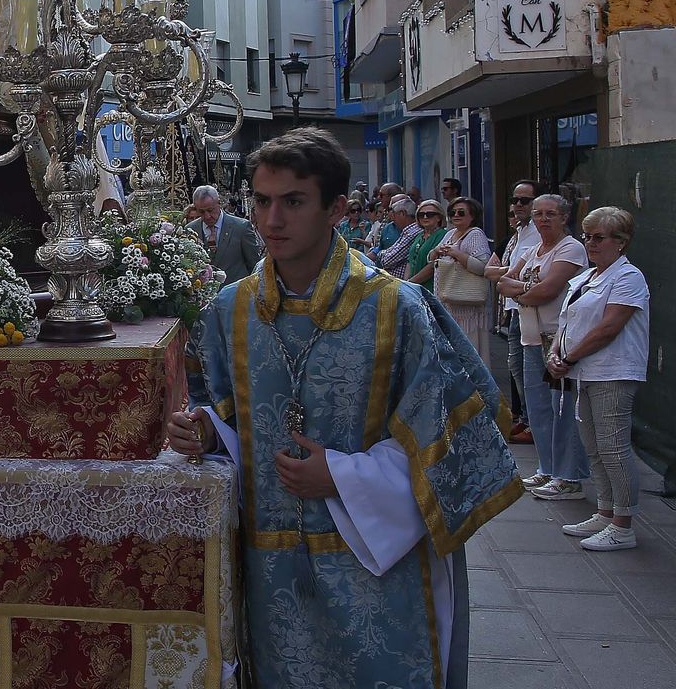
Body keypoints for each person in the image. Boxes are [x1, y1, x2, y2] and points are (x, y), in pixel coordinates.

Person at [168, 127, 518, 687]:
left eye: (293, 202)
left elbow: (456, 443)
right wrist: (206, 431)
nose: (272, 220)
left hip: (378, 563)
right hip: (272, 566)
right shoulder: (229, 311)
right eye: (262, 201)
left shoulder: (398, 309)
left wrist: (343, 476)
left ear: (335, 209)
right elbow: (220, 408)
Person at [549, 207, 649, 551]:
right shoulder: (586, 277)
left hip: (613, 372)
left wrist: (568, 357)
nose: (590, 243)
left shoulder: (629, 277)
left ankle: (623, 526)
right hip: (584, 373)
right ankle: (605, 512)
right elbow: (567, 324)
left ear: (621, 242)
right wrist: (555, 353)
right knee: (593, 447)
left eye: (599, 238)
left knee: (614, 448)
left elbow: (608, 327)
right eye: (587, 236)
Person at [497, 194, 590, 500]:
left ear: (564, 217)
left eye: (550, 214)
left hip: (556, 340)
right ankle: (548, 468)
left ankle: (569, 477)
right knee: (537, 407)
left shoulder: (571, 248)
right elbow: (502, 282)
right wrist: (528, 290)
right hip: (530, 338)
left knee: (561, 408)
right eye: (538, 214)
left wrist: (521, 291)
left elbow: (549, 291)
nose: (543, 219)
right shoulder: (534, 249)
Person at [486, 182, 542, 442]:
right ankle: (527, 419)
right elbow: (495, 271)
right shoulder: (519, 232)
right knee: (517, 368)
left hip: (530, 309)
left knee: (529, 371)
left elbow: (517, 273)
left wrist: (510, 278)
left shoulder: (538, 233)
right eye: (515, 200)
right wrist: (508, 275)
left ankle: (533, 423)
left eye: (525, 200)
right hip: (514, 308)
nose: (518, 205)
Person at [429, 197, 495, 364]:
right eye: (453, 212)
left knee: (469, 351)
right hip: (449, 303)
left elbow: (483, 267)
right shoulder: (450, 233)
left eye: (461, 212)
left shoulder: (475, 235)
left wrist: (456, 254)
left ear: (472, 216)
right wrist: (436, 251)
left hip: (467, 307)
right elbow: (431, 259)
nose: (456, 215)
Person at [190, 184, 261, 283]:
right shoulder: (191, 229)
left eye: (210, 210)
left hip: (237, 290)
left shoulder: (241, 228)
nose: (207, 216)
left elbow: (255, 265)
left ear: (219, 203)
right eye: (201, 212)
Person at [373, 196, 420, 278]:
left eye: (394, 214)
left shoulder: (412, 233)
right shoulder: (403, 230)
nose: (392, 218)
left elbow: (387, 260)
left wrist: (381, 254)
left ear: (402, 213)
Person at [405, 200, 449, 286]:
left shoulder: (443, 235)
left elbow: (433, 265)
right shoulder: (419, 235)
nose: (425, 217)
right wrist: (406, 282)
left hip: (431, 286)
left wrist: (411, 283)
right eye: (421, 215)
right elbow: (410, 260)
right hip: (412, 286)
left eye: (430, 214)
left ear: (439, 217)